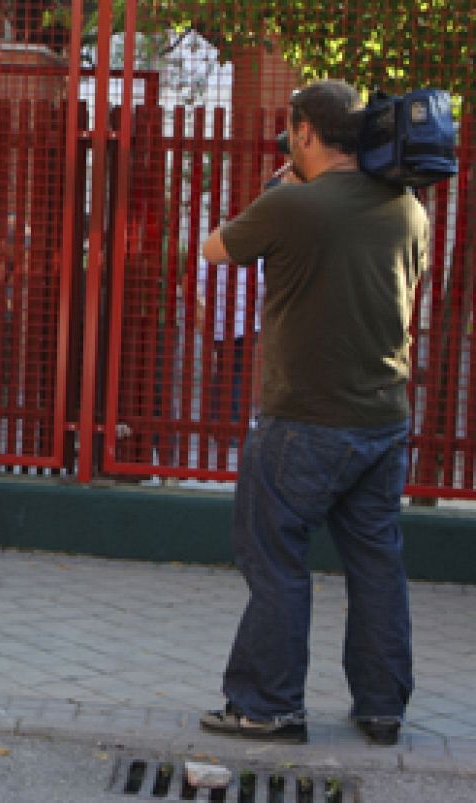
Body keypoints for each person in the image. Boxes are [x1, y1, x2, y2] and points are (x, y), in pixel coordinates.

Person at [198, 80, 428, 747]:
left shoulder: (291, 205)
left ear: (303, 132)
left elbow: (216, 249)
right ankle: (382, 708)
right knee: (377, 560)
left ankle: (267, 704)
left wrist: (277, 192)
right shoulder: (407, 205)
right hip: (384, 416)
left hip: (302, 418)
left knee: (274, 557)